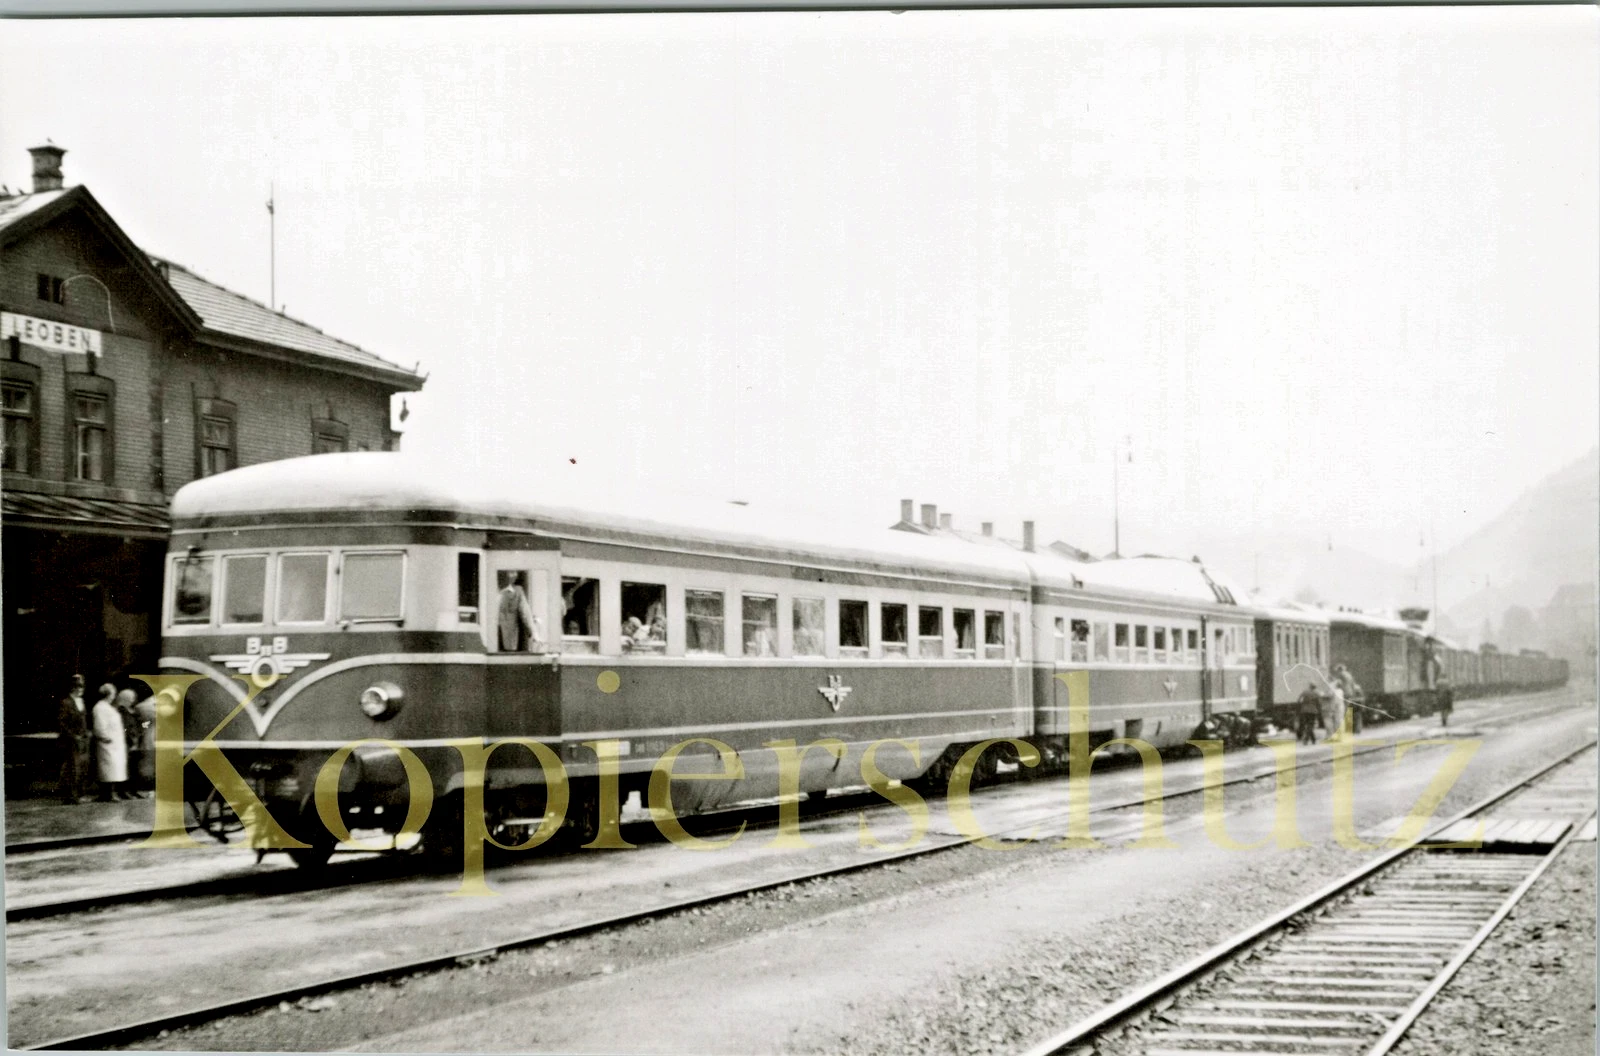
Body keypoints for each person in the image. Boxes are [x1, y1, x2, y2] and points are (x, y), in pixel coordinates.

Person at [91, 683, 130, 801]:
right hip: (107, 743)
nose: (114, 696)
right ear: (108, 694)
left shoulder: (108, 707)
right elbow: (99, 725)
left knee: (114, 768)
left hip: (115, 743)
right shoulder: (100, 707)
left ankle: (110, 793)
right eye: (113, 693)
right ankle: (107, 794)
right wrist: (104, 737)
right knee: (108, 769)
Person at [56, 674, 91, 804]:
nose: (80, 689)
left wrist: (85, 733)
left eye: (81, 686)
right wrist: (72, 736)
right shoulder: (66, 702)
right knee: (72, 768)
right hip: (71, 741)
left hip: (82, 740)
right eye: (77, 686)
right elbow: (62, 723)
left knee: (82, 767)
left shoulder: (81, 702)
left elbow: (83, 720)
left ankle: (80, 794)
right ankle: (71, 796)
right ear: (72, 687)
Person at [118, 688, 154, 795]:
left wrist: (146, 725)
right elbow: (125, 728)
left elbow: (137, 726)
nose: (133, 700)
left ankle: (132, 790)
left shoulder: (131, 711)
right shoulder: (122, 711)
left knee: (133, 767)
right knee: (127, 767)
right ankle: (125, 790)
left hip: (134, 741)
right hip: (128, 742)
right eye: (131, 698)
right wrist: (130, 735)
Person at [497, 572, 537, 652]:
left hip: (508, 640)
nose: (514, 575)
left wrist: (534, 632)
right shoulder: (489, 588)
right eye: (511, 572)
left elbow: (526, 612)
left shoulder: (518, 591)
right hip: (491, 635)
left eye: (515, 572)